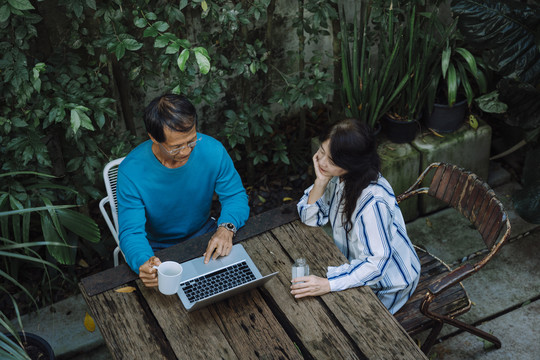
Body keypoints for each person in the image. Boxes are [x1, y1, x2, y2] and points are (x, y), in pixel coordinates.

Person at [117, 93, 250, 287]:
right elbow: (131, 232)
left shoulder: (213, 150)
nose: (186, 151)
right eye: (176, 147)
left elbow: (235, 195)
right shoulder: (131, 171)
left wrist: (226, 227)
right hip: (156, 249)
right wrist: (144, 261)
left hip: (206, 234)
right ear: (153, 138)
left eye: (191, 141)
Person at [292, 119, 420, 314]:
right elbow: (310, 218)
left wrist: (329, 284)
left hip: (388, 284)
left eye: (332, 160)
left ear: (352, 163)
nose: (322, 162)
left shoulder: (372, 203)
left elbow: (377, 264)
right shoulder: (339, 177)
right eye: (322, 152)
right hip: (354, 266)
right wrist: (320, 182)